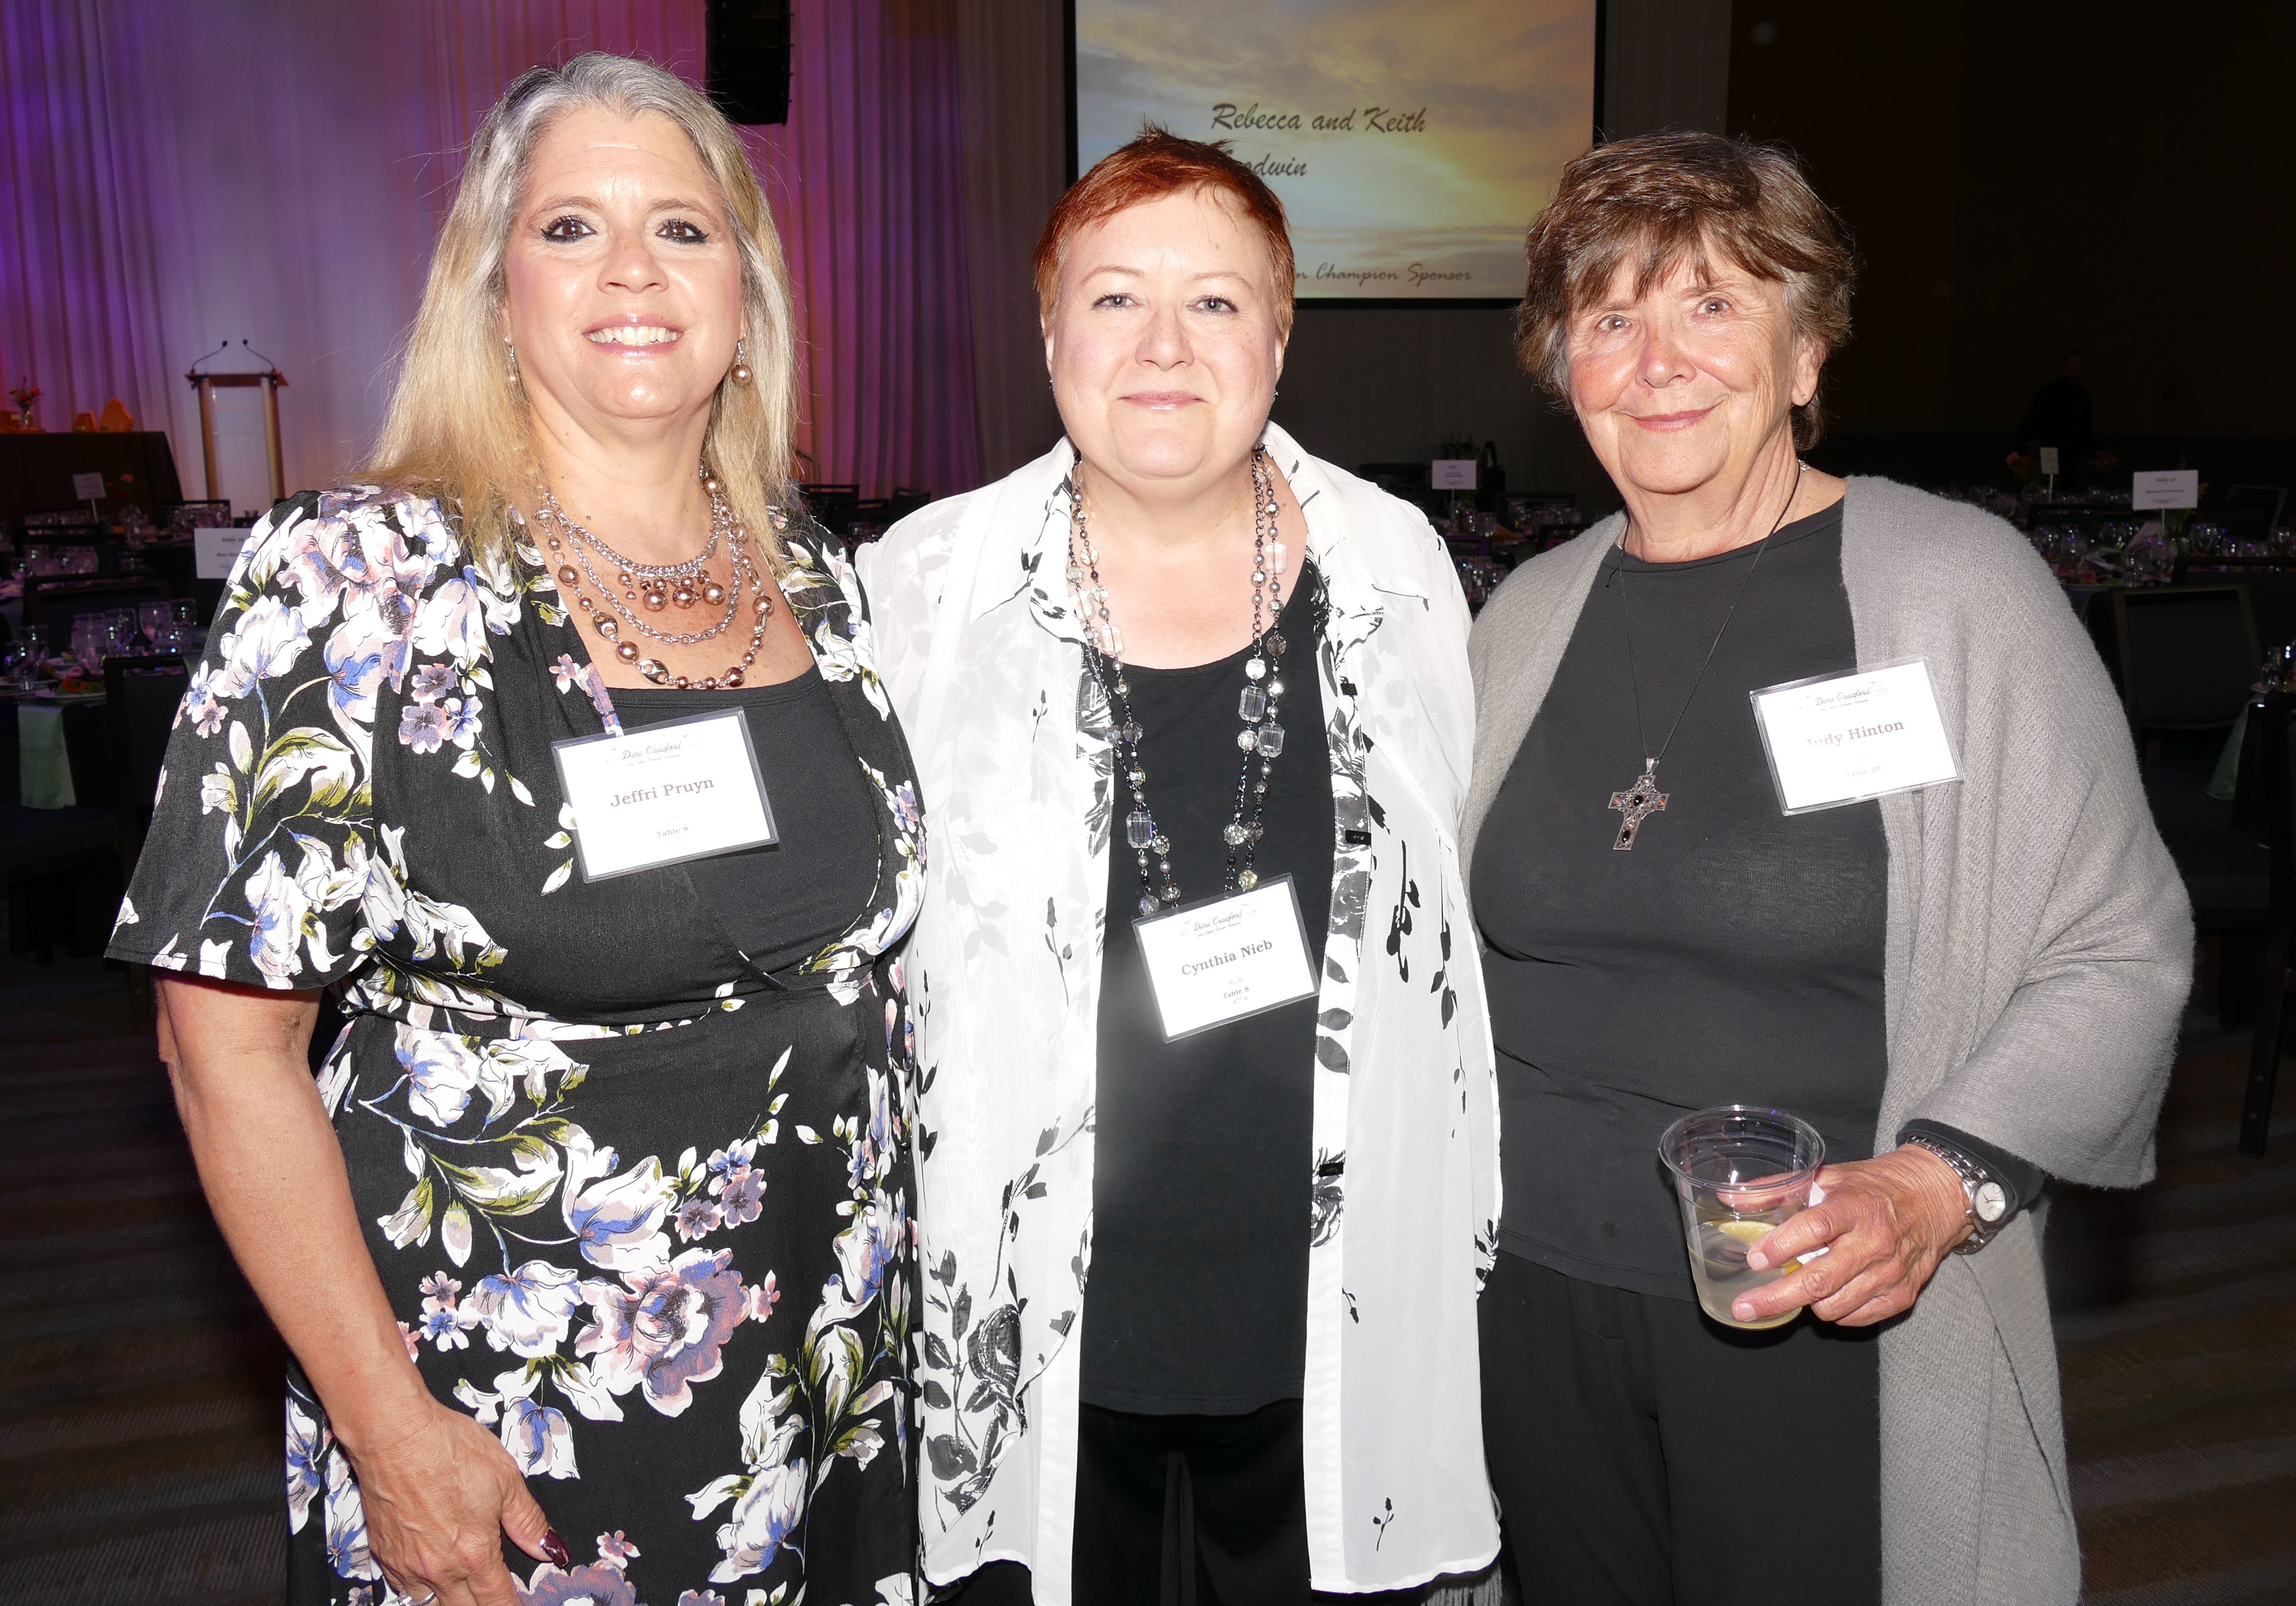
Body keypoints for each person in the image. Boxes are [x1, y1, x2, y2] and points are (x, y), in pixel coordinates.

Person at [107, 55, 922, 1606]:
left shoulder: (823, 579)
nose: (630, 269)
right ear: (493, 294)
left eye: (682, 230)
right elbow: (222, 1053)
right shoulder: (357, 582)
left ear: (743, 299)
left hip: (825, 1368)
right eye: (569, 230)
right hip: (515, 1402)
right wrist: (387, 1428)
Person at [1465, 131, 2190, 1606]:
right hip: (1521, 1296)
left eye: (1711, 308)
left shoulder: (1951, 590)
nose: (1655, 360)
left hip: (1813, 1292)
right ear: (1564, 371)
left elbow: (2117, 940)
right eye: (1608, 319)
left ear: (1805, 355)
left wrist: (1943, 1181)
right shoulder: (1524, 615)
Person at [859, 129, 1497, 1606]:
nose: (1162, 346)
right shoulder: (926, 588)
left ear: (1278, 339)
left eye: (1213, 302)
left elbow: (1448, 916)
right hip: (1024, 1311)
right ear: (1046, 332)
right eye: (1113, 299)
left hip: (1326, 1296)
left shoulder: (1395, 568)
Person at [2017, 348, 2096, 481]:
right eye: (2073, 363)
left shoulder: (2083, 396)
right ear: (2063, 365)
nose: (2077, 368)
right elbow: (2031, 424)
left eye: (2080, 364)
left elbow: (2086, 428)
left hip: (2075, 459)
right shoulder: (2048, 393)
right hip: (2051, 454)